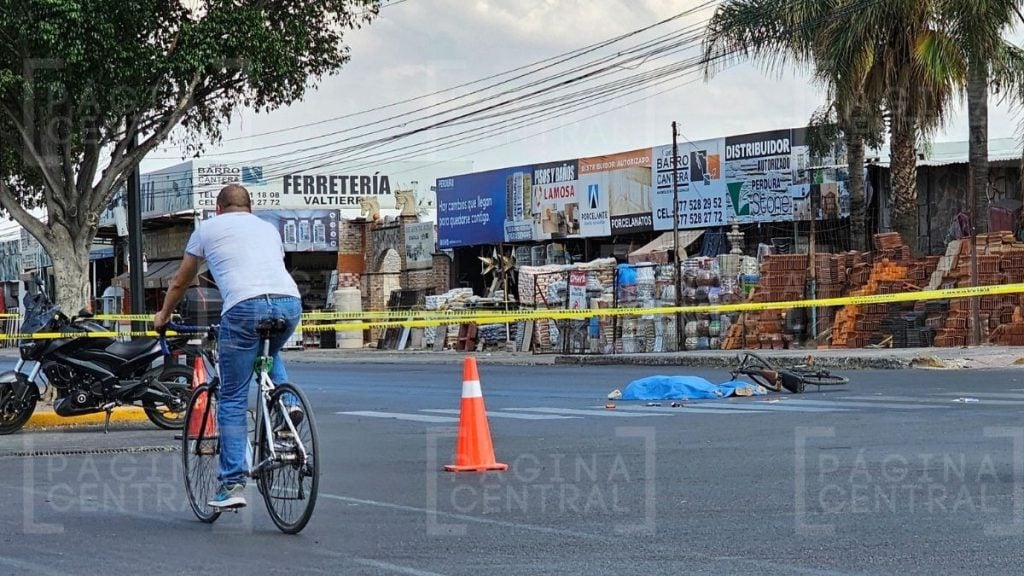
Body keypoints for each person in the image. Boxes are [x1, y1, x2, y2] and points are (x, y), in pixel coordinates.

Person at [154, 184, 303, 509]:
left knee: (233, 398)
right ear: (249, 208)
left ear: (218, 208)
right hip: (290, 303)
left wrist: (164, 315)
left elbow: (181, 281)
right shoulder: (268, 229)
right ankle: (288, 403)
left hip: (243, 308)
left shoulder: (206, 229)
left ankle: (232, 483)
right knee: (270, 351)